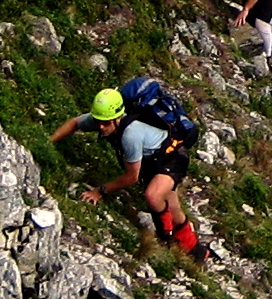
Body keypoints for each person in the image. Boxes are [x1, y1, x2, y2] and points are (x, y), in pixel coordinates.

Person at [49, 86, 208, 258]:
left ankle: (165, 239)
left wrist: (100, 191)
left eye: (106, 122)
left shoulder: (130, 134)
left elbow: (132, 177)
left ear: (117, 118)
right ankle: (197, 251)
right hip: (155, 158)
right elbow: (75, 123)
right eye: (98, 121)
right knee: (173, 206)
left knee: (153, 196)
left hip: (172, 157)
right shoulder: (105, 120)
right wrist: (49, 141)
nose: (101, 127)